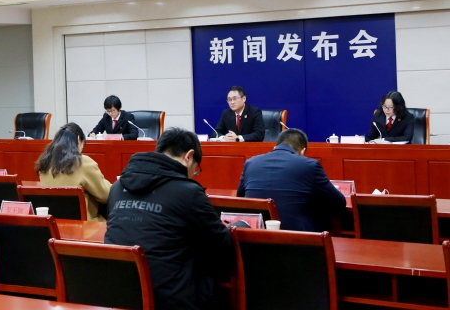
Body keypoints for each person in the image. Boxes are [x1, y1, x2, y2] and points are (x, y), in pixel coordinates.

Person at [104, 128, 232, 310]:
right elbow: (222, 244)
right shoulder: (188, 192)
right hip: (169, 300)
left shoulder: (116, 187)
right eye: (196, 170)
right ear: (189, 156)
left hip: (117, 296)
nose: (193, 175)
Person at [236, 128, 346, 232]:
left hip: (255, 237)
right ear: (302, 151)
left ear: (275, 146)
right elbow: (339, 202)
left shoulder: (250, 163)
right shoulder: (309, 165)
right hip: (297, 239)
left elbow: (240, 197)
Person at [36, 122, 112, 221]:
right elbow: (106, 195)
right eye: (83, 144)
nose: (82, 149)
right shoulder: (81, 162)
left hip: (56, 224)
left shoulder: (44, 163)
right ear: (78, 139)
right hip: (86, 226)